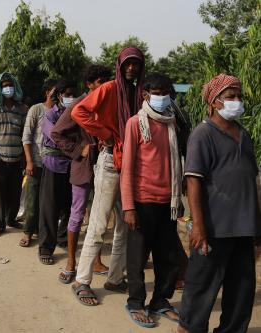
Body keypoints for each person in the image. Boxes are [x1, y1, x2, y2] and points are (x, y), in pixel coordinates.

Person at [177, 74, 261, 333]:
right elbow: (193, 182)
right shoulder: (203, 134)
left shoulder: (243, 134)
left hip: (244, 227)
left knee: (242, 290)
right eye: (230, 97)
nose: (236, 101)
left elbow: (251, 180)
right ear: (214, 102)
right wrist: (198, 225)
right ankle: (188, 329)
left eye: (238, 96)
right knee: (202, 286)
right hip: (214, 228)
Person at [70, 47, 145, 305]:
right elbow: (79, 112)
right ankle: (82, 280)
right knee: (99, 223)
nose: (132, 68)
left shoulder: (140, 92)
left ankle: (114, 277)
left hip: (133, 164)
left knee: (125, 224)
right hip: (112, 160)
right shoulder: (110, 88)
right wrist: (105, 133)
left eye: (136, 63)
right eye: (128, 63)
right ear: (120, 65)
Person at [121, 74, 182, 327]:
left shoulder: (172, 123)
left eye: (165, 91)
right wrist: (129, 207)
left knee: (167, 257)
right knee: (137, 257)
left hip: (168, 200)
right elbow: (127, 168)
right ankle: (135, 302)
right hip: (143, 200)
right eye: (155, 91)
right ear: (145, 95)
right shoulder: (136, 123)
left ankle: (160, 301)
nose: (161, 95)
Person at [52, 65, 112, 283]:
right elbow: (56, 133)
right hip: (83, 167)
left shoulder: (109, 103)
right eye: (99, 81)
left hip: (106, 166)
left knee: (99, 216)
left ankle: (95, 261)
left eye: (107, 80)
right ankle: (70, 262)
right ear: (89, 84)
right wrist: (79, 150)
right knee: (77, 214)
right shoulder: (78, 105)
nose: (104, 85)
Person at [37, 80, 77, 264]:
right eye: (67, 95)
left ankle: (62, 238)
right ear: (59, 96)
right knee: (49, 208)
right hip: (53, 164)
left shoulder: (77, 113)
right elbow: (55, 138)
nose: (70, 98)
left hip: (71, 166)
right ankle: (46, 247)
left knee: (69, 206)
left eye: (72, 94)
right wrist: (74, 146)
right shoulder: (50, 114)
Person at [0, 72, 27, 237]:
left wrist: (24, 157)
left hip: (16, 158)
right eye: (4, 86)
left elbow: (25, 134)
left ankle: (11, 219)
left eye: (10, 85)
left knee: (15, 192)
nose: (8, 88)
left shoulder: (22, 109)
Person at [19, 79, 56, 247]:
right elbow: (26, 137)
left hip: (53, 164)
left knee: (47, 202)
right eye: (54, 92)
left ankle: (41, 231)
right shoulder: (36, 109)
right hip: (36, 161)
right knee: (32, 200)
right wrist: (29, 161)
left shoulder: (60, 112)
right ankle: (28, 232)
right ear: (47, 92)